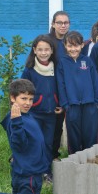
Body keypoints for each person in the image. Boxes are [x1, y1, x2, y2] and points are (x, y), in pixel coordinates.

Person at [21, 34, 62, 183]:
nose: (43, 52)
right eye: (40, 49)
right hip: (34, 114)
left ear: (52, 50)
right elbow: (22, 90)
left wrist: (60, 103)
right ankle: (32, 171)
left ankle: (46, 171)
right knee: (34, 142)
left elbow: (61, 88)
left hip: (51, 114)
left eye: (47, 49)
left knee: (48, 143)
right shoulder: (29, 70)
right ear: (34, 50)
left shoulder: (57, 68)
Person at [57, 31, 98, 154]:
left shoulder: (87, 61)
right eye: (70, 46)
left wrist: (97, 101)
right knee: (74, 136)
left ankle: (90, 161)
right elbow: (61, 85)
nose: (73, 49)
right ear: (65, 46)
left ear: (82, 45)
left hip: (90, 105)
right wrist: (65, 104)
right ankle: (75, 161)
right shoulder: (62, 63)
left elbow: (96, 81)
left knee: (91, 134)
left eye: (76, 45)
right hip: (72, 106)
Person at [48, 11, 70, 161]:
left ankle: (54, 155)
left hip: (66, 90)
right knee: (48, 125)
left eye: (66, 23)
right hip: (50, 90)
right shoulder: (47, 42)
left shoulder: (70, 41)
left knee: (58, 127)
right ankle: (45, 157)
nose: (63, 25)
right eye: (59, 22)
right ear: (53, 24)